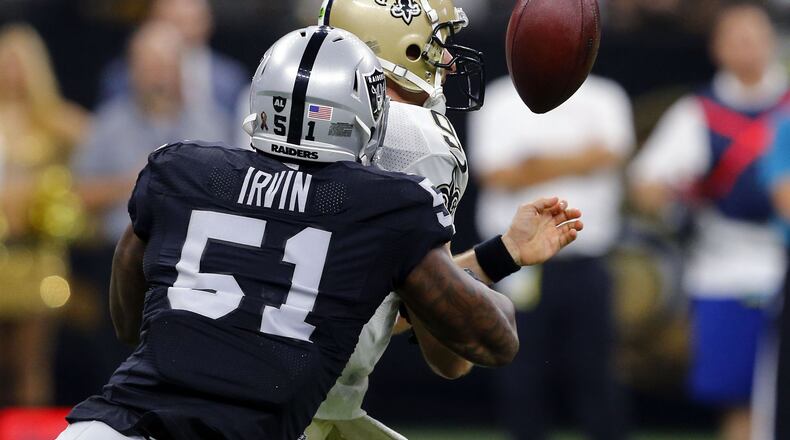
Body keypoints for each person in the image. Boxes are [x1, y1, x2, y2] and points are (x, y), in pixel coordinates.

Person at [56, 26, 583, 440]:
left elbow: (129, 322)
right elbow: (491, 338)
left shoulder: (181, 169)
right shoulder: (380, 206)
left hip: (105, 427)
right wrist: (489, 259)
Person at [306, 1, 554, 438]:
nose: (451, 61)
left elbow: (354, 306)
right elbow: (449, 352)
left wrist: (502, 253)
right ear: (403, 48)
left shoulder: (286, 111)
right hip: (300, 407)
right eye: (438, 45)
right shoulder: (417, 138)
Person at [630, 4, 787, 439]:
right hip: (726, 267)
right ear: (717, 48)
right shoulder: (699, 111)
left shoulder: (786, 107)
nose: (747, 47)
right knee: (738, 397)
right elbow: (647, 185)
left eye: (754, 37)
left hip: (782, 258)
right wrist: (672, 192)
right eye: (736, 38)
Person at [470, 73, 633, 440]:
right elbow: (496, 173)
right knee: (520, 365)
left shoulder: (604, 95)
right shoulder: (501, 97)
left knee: (597, 367)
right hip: (516, 262)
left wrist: (534, 163)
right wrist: (581, 158)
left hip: (588, 257)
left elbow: (612, 154)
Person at [0, 23, 89, 406]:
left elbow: (93, 146)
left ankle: (29, 429)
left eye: (19, 63)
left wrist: (54, 194)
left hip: (36, 257)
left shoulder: (54, 119)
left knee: (31, 364)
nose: (11, 71)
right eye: (5, 61)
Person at [100, 0, 247, 128]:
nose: (184, 31)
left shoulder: (230, 79)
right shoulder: (119, 78)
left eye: (192, 21)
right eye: (176, 21)